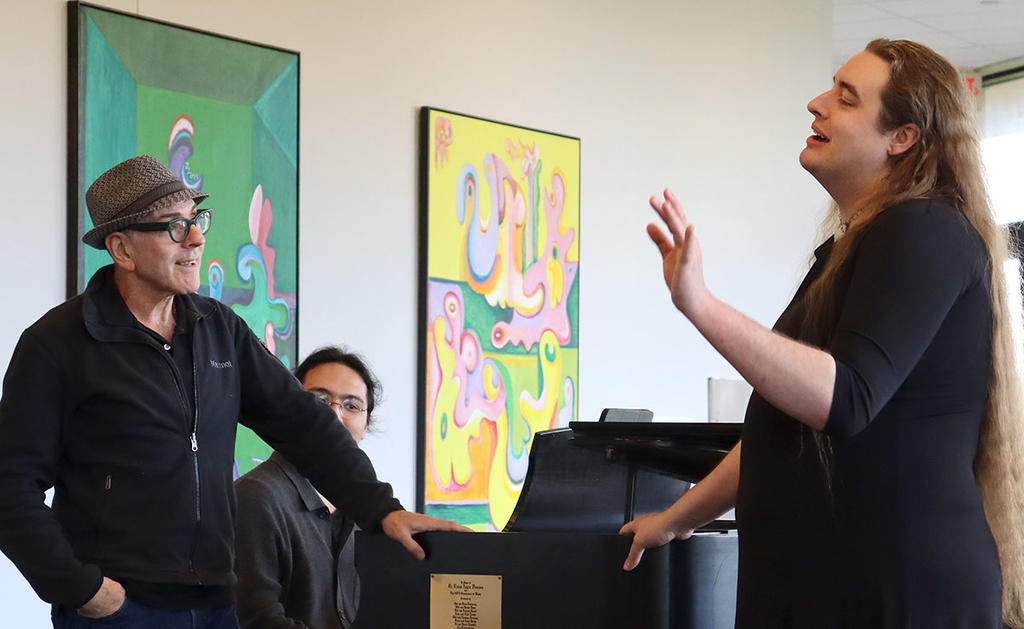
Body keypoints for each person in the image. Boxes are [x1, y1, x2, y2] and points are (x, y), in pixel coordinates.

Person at [619, 39, 1024, 628]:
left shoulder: (925, 230)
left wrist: (701, 305)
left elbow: (846, 397)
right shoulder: (854, 248)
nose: (816, 105)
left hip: (894, 589)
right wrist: (678, 518)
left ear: (902, 137)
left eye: (845, 98)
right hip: (825, 583)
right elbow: (782, 427)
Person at [0, 155, 466, 628]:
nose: (198, 239)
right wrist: (82, 589)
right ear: (122, 249)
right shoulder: (57, 344)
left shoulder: (219, 328)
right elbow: (9, 485)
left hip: (220, 603)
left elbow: (304, 423)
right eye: (175, 227)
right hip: (120, 611)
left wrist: (383, 510)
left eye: (196, 220)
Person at [234, 347, 381, 629]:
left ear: (366, 425)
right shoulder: (255, 497)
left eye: (351, 406)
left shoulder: (370, 511)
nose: (333, 417)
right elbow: (257, 620)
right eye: (319, 400)